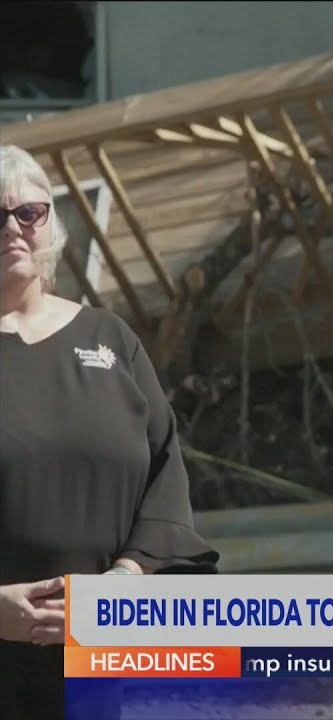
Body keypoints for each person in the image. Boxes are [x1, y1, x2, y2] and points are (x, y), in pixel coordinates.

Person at [0, 143, 220, 720]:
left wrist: (125, 580)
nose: (14, 228)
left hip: (109, 656)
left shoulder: (109, 337)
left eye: (29, 213)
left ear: (50, 225)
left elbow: (165, 476)